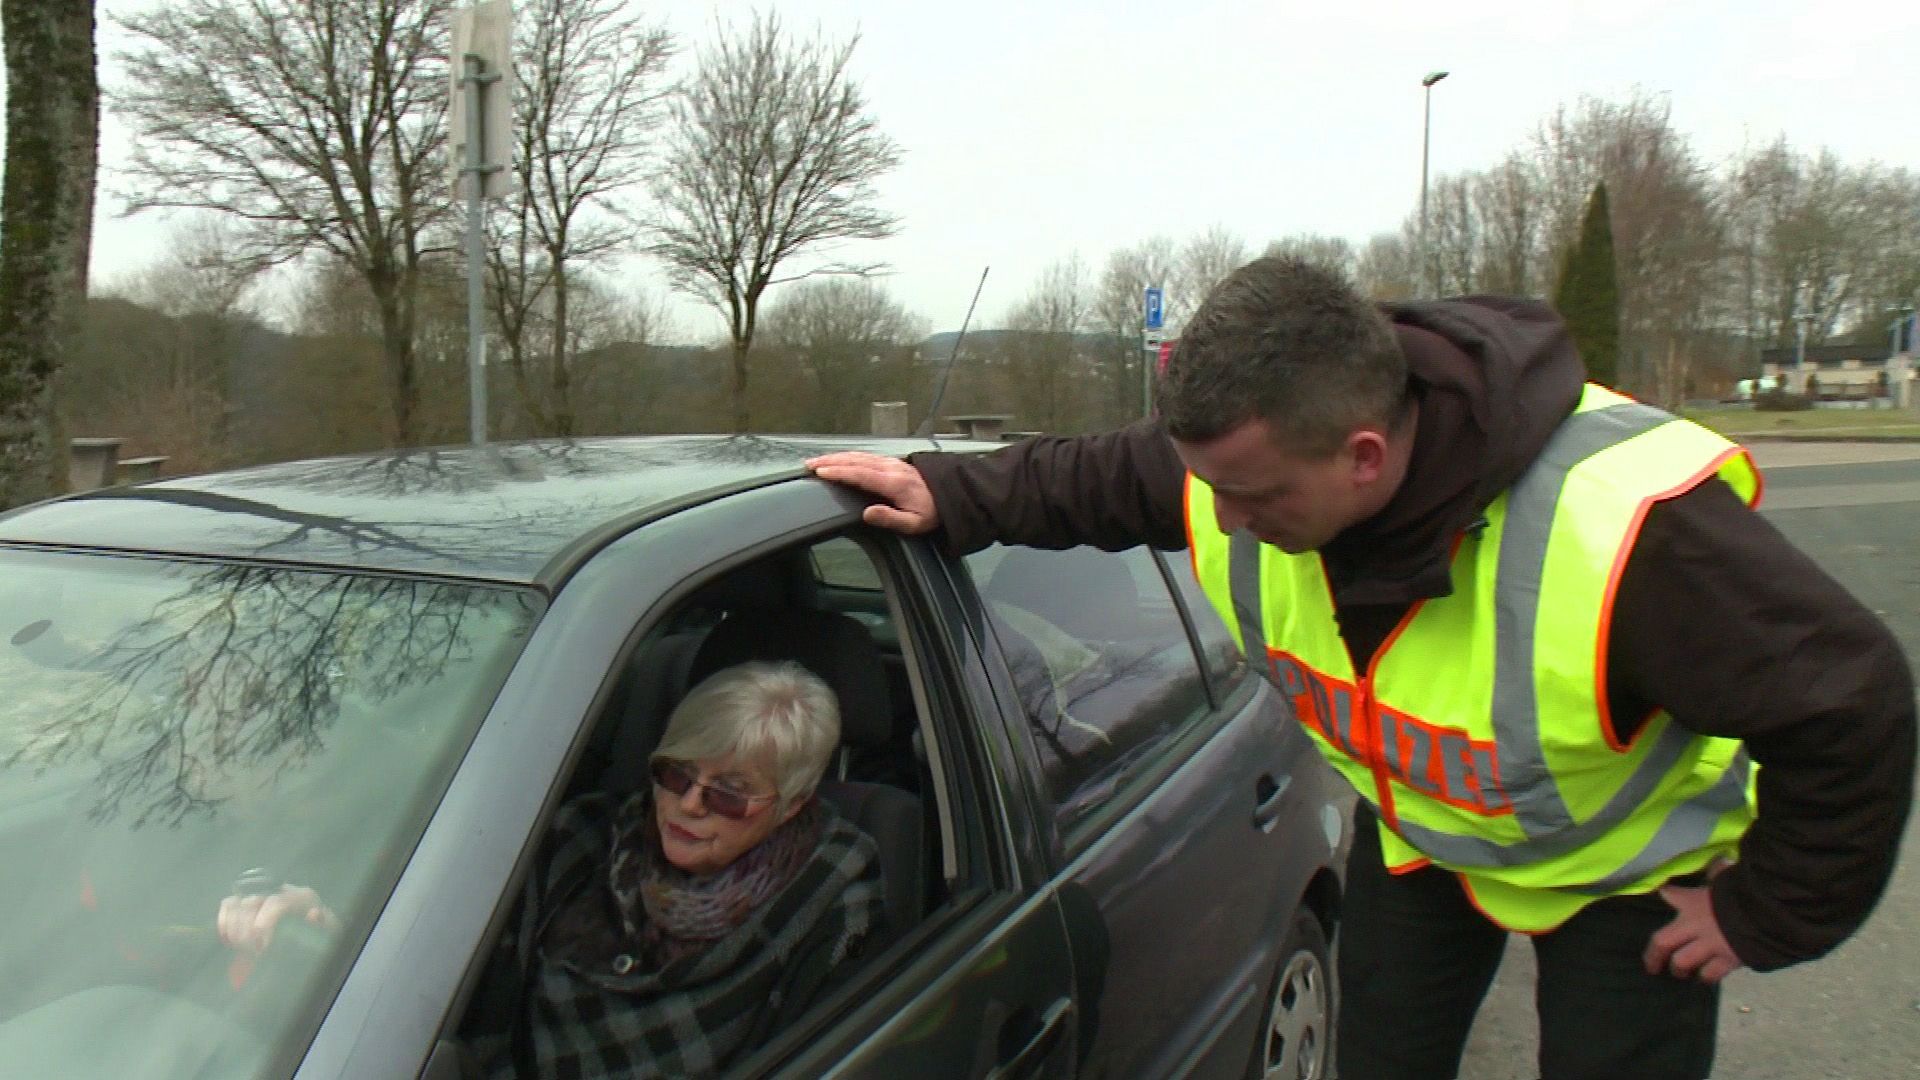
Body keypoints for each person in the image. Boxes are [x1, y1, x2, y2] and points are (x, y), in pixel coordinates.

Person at [808, 256, 1915, 1080]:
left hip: (1624, 887)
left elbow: (1853, 702)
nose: (1220, 523)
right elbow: (1112, 477)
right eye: (1211, 489)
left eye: (1253, 500)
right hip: (1424, 843)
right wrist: (953, 494)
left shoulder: (1630, 534)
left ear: (1365, 455)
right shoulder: (1252, 462)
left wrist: (1771, 913)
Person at [217, 661, 887, 1079]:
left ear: (792, 803)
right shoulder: (579, 838)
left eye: (729, 793)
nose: (687, 804)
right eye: (676, 772)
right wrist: (335, 929)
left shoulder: (830, 889)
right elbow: (464, 971)